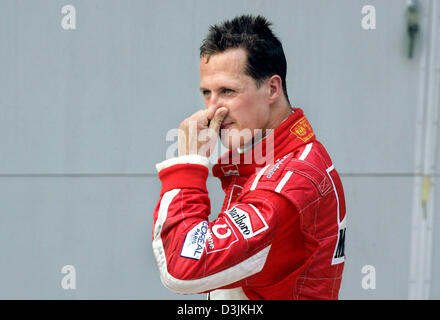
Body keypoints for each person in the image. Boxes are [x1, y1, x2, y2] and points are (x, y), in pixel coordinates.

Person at [152, 14, 346, 300]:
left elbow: (182, 268)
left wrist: (187, 168)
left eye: (228, 91)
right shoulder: (274, 160)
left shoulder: (286, 184)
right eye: (207, 93)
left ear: (272, 88)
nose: (213, 110)